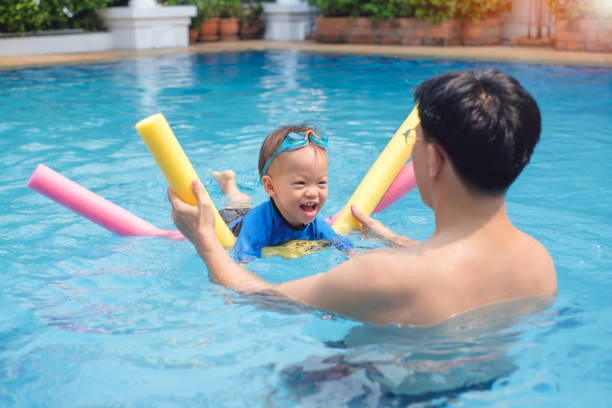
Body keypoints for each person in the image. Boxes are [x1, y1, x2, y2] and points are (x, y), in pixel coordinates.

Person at [168, 69, 557, 326]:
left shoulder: (381, 275)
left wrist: (205, 242)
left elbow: (257, 296)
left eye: (413, 142)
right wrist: (389, 237)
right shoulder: (538, 261)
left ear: (433, 160)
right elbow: (458, 266)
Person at [209, 125, 351, 262]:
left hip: (253, 212)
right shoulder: (257, 225)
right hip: (231, 221)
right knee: (236, 205)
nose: (313, 192)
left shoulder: (316, 224)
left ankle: (229, 183)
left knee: (242, 202)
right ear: (270, 186)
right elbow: (242, 262)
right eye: (301, 183)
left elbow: (342, 245)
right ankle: (229, 186)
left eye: (321, 183)